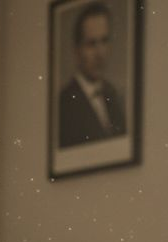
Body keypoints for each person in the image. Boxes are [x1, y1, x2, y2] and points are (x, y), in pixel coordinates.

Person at [57, 1, 126, 148]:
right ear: (77, 51)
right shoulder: (64, 104)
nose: (100, 53)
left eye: (104, 41)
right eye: (91, 44)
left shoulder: (114, 95)